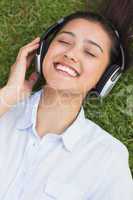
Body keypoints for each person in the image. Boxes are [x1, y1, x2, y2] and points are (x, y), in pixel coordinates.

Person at [0, 0, 133, 199]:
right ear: (43, 50)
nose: (70, 54)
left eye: (89, 52)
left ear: (106, 79)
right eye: (64, 42)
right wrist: (9, 95)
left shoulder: (108, 156)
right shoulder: (4, 110)